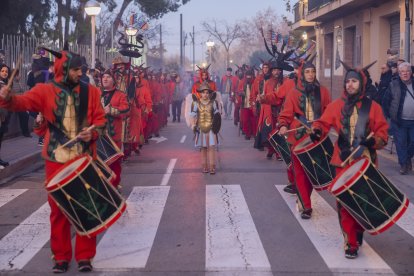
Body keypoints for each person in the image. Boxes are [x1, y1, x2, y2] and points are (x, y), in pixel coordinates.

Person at [0, 46, 106, 273]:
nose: (80, 73)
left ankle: (85, 256)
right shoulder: (43, 91)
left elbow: (101, 122)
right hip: (55, 159)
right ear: (64, 70)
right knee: (58, 210)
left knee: (86, 207)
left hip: (84, 158)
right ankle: (61, 257)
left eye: (81, 70)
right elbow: (21, 103)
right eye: (76, 69)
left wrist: (93, 132)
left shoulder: (92, 93)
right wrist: (7, 98)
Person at [311, 62, 388, 259]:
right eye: (347, 82)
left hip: (365, 162)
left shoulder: (374, 107)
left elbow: (382, 132)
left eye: (354, 81)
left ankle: (358, 231)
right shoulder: (336, 105)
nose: (349, 85)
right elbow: (323, 122)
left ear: (361, 84)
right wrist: (317, 131)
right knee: (344, 203)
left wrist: (376, 141)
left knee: (363, 202)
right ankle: (350, 242)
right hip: (342, 162)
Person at [278, 59, 331, 219]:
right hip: (298, 138)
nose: (310, 74)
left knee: (311, 172)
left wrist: (322, 128)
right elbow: (286, 113)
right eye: (307, 72)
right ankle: (306, 206)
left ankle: (305, 198)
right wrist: (283, 125)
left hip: (316, 138)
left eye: (312, 72)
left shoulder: (323, 92)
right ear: (302, 74)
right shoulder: (293, 93)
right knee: (300, 172)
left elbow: (328, 113)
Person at [383, 62, 414, 175]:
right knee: (400, 144)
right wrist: (386, 119)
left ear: (411, 72)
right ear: (399, 74)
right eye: (402, 72)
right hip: (399, 121)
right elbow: (385, 102)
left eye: (407, 71)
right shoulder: (393, 84)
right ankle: (404, 165)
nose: (405, 73)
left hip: (413, 121)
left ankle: (406, 158)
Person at [100, 69, 129, 187]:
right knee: (100, 163)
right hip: (98, 135)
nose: (105, 79)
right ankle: (103, 186)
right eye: (103, 77)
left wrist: (111, 110)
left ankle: (115, 185)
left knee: (114, 162)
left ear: (114, 80)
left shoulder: (121, 95)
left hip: (114, 135)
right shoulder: (97, 93)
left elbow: (126, 110)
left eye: (108, 77)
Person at [190, 82, 220, 174]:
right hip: (201, 129)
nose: (205, 94)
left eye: (207, 92)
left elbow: (217, 115)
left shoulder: (213, 103)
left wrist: (216, 126)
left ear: (209, 93)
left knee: (211, 147)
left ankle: (212, 166)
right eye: (203, 92)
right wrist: (194, 126)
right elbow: (192, 116)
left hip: (211, 129)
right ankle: (204, 166)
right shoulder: (196, 103)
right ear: (200, 93)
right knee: (203, 148)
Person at [0, 64, 11, 168]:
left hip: (4, 116)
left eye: (6, 71)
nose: (4, 73)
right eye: (2, 71)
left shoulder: (6, 84)